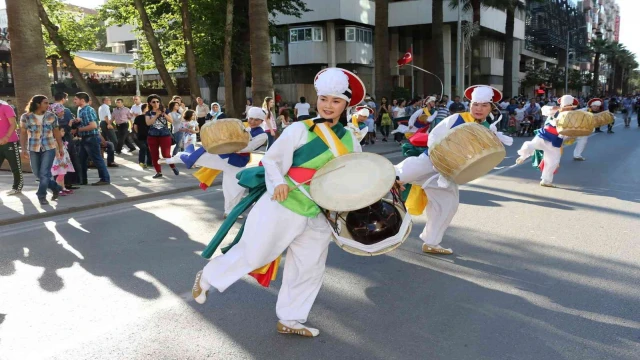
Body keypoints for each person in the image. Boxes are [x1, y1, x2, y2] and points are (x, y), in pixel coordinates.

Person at [192, 67, 365, 338]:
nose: (328, 106)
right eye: (324, 99)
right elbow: (272, 160)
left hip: (320, 211)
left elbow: (357, 170)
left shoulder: (350, 138)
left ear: (346, 105)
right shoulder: (299, 129)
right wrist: (279, 182)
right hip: (284, 203)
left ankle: (291, 319)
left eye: (335, 101)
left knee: (309, 269)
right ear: (317, 100)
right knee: (256, 253)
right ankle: (208, 277)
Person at [394, 85, 512, 255]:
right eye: (476, 104)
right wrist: (439, 156)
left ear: (491, 108)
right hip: (431, 161)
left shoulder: (488, 127)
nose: (479, 109)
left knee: (447, 205)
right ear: (470, 104)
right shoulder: (457, 118)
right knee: (398, 173)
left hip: (449, 173)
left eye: (484, 105)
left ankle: (431, 242)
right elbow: (434, 136)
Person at [167, 107, 268, 217]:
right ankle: (176, 157)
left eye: (256, 120)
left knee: (236, 188)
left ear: (262, 121)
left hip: (238, 161)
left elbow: (247, 147)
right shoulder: (241, 125)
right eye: (251, 118)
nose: (252, 122)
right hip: (224, 155)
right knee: (201, 158)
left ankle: (229, 211)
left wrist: (229, 144)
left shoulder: (262, 135)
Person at [515, 95, 576, 188]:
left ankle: (546, 180)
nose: (568, 109)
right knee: (535, 147)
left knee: (552, 161)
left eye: (570, 107)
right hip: (546, 136)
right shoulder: (554, 111)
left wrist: (570, 136)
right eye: (567, 107)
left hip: (554, 140)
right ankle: (523, 155)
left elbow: (570, 132)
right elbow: (544, 109)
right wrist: (557, 108)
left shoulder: (572, 117)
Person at [19, 95, 65, 205]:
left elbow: (56, 132)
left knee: (44, 173)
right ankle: (56, 187)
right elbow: (23, 133)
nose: (48, 105)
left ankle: (41, 195)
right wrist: (23, 148)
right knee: (37, 173)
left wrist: (60, 146)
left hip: (49, 147)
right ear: (37, 104)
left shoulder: (51, 116)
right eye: (45, 103)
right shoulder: (26, 117)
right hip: (34, 148)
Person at [73, 92, 111, 186]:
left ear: (82, 100)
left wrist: (78, 129)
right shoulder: (82, 110)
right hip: (85, 138)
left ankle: (105, 179)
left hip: (91, 138)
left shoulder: (87, 110)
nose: (74, 101)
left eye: (76, 99)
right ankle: (82, 179)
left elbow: (93, 125)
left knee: (97, 159)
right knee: (81, 159)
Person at [145, 94, 178, 178]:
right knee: (154, 154)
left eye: (157, 101)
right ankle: (158, 172)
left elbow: (171, 120)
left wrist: (164, 114)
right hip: (152, 136)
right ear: (150, 103)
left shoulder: (165, 110)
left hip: (164, 135)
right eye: (153, 102)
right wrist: (156, 115)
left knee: (166, 154)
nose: (156, 103)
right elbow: (148, 123)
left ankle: (173, 166)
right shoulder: (148, 113)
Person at [0, 98, 22, 195]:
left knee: (15, 166)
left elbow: (13, 124)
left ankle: (17, 187)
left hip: (10, 142)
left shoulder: (6, 108)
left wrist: (6, 137)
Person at [51, 126, 75, 196]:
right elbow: (56, 152)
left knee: (63, 174)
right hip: (59, 161)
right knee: (61, 174)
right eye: (62, 131)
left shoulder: (61, 141)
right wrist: (60, 159)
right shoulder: (55, 141)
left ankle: (62, 187)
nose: (63, 132)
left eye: (63, 131)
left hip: (64, 160)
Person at [132, 104, 153, 169]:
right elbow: (135, 126)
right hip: (144, 135)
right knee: (144, 148)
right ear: (145, 109)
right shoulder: (139, 117)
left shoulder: (150, 117)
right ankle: (143, 162)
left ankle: (148, 162)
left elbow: (135, 127)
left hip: (147, 135)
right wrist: (138, 133)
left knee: (147, 148)